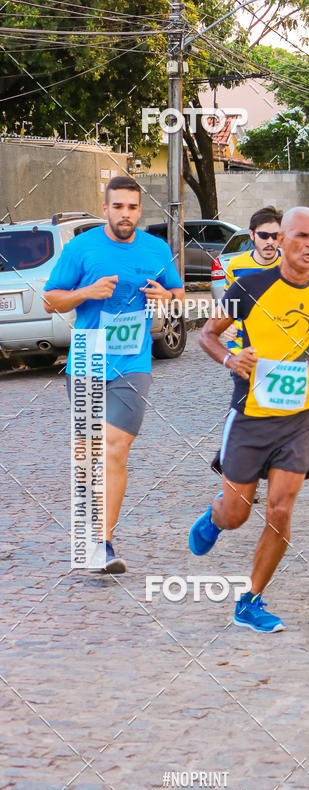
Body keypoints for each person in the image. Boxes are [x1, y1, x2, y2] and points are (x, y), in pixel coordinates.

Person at [191, 207, 309, 633]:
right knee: (237, 513)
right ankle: (216, 519)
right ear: (282, 240)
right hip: (250, 417)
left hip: (298, 420)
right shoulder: (248, 287)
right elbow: (207, 335)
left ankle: (250, 601)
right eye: (302, 236)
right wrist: (233, 358)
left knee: (281, 509)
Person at [44, 175, 184, 574]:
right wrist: (86, 293)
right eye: (118, 206)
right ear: (105, 208)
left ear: (140, 210)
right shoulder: (81, 248)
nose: (126, 214)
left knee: (115, 447)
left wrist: (166, 298)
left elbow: (178, 296)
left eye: (133, 207)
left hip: (133, 360)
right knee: (89, 453)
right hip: (88, 355)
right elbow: (52, 299)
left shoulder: (156, 248)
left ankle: (103, 542)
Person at [222, 206, 282, 357]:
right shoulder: (236, 265)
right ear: (252, 235)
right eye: (264, 235)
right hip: (241, 349)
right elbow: (227, 303)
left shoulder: (291, 263)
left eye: (275, 236)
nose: (270, 241)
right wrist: (226, 326)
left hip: (281, 351)